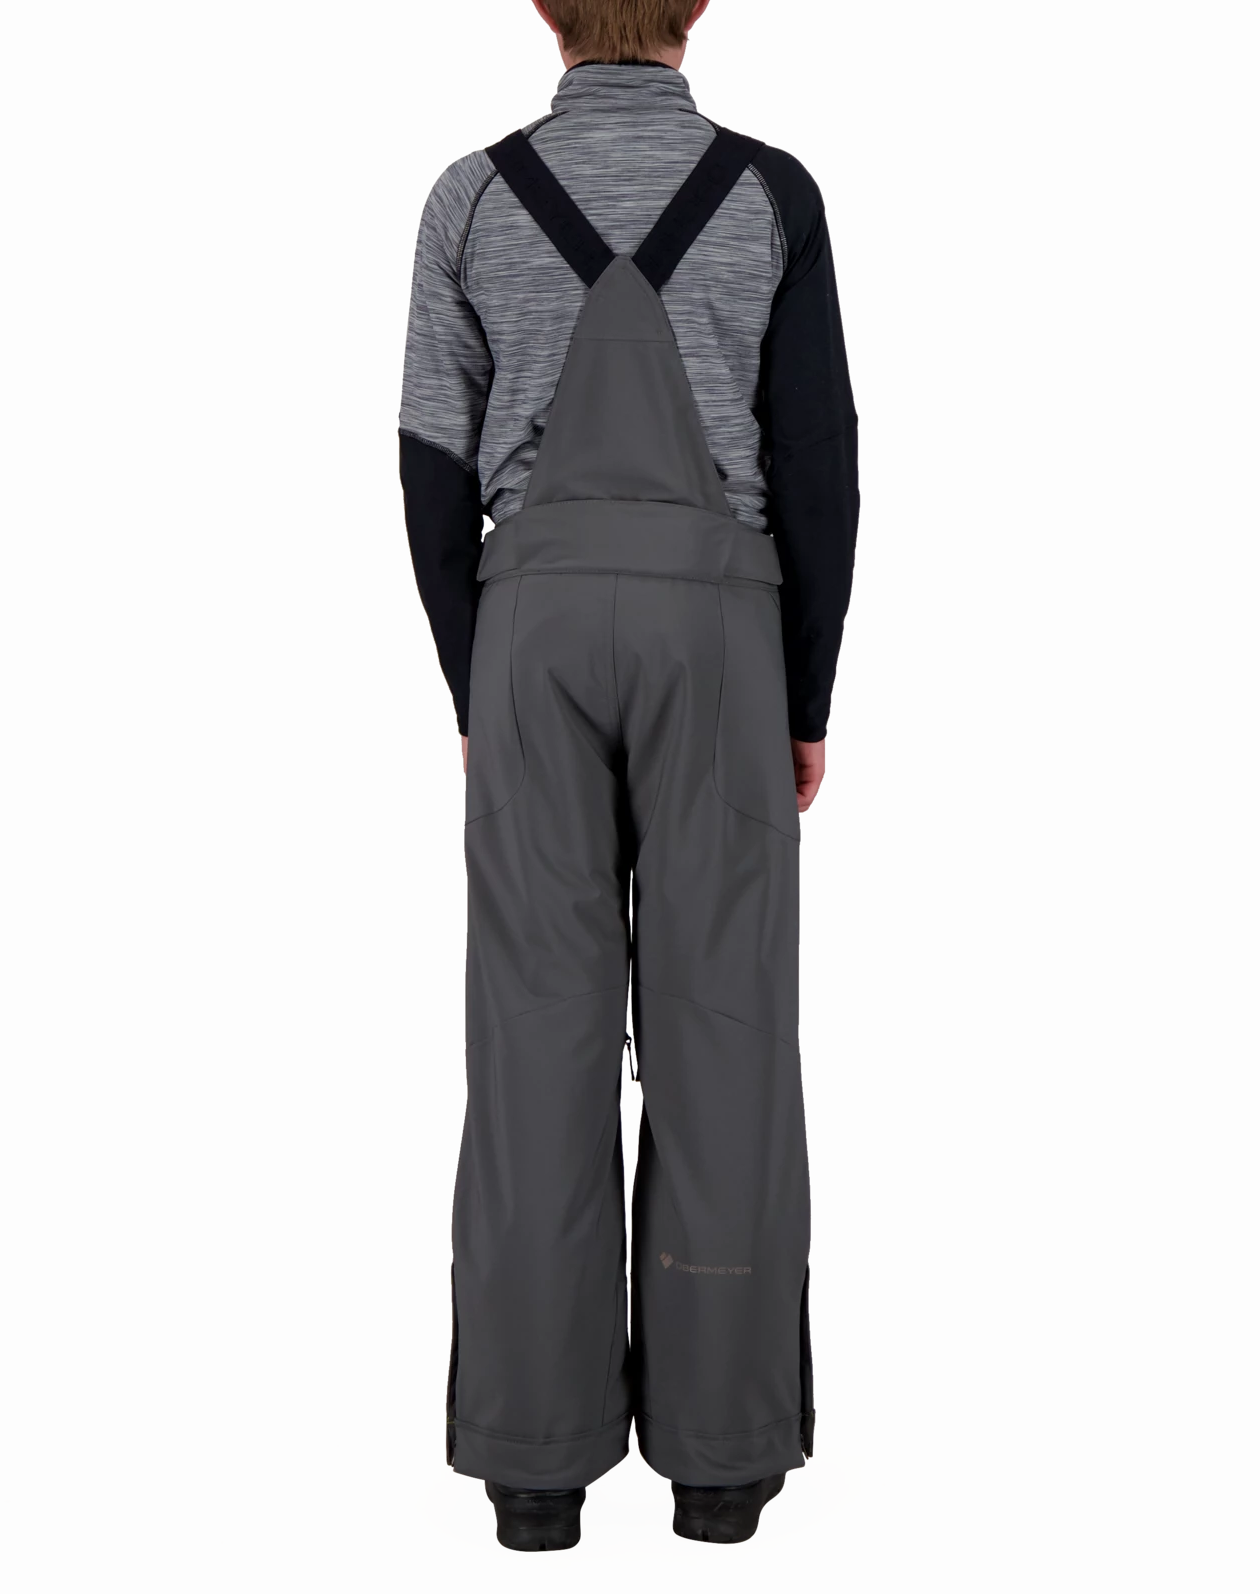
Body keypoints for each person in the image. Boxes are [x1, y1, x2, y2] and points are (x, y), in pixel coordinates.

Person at [398, 0, 859, 1554]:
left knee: (534, 1022)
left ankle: (533, 1466)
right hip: (717, 632)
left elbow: (431, 458)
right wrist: (803, 693)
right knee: (723, 1016)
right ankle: (721, 1460)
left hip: (529, 627)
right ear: (697, 3)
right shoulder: (769, 190)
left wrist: (474, 674)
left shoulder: (470, 195)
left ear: (542, 6)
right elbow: (815, 458)